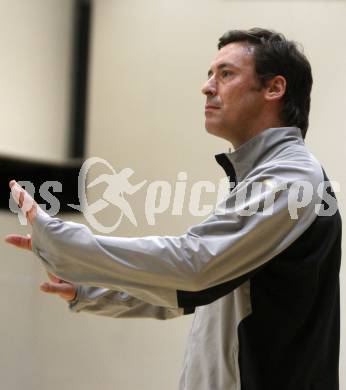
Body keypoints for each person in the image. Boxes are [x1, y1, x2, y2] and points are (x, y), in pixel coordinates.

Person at [6, 28, 341, 390]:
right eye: (210, 74)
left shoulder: (294, 177)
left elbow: (194, 267)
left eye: (225, 74)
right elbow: (199, 290)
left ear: (274, 88)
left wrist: (67, 244)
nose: (207, 86)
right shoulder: (262, 177)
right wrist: (91, 289)